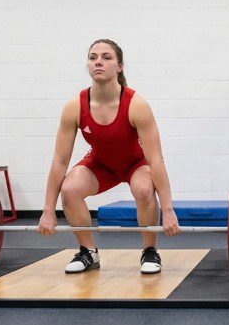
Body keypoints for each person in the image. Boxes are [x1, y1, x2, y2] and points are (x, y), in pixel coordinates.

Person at [38, 39, 180, 274]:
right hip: (100, 164)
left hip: (135, 164)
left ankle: (149, 250)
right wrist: (48, 210)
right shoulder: (75, 106)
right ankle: (88, 252)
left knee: (144, 189)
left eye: (106, 57)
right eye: (93, 57)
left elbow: (155, 160)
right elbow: (60, 161)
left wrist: (168, 210)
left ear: (120, 66)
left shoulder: (136, 105)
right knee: (70, 188)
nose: (98, 62)